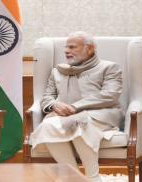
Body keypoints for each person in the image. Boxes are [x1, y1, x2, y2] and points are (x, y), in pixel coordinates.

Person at [30, 31, 123, 182]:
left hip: (100, 114)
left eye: (72, 47)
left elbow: (110, 95)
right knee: (47, 125)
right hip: (64, 115)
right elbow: (47, 97)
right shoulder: (57, 71)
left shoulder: (109, 67)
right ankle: (72, 177)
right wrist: (55, 105)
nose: (66, 51)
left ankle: (93, 177)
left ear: (90, 49)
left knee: (78, 122)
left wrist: (75, 107)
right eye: (66, 47)